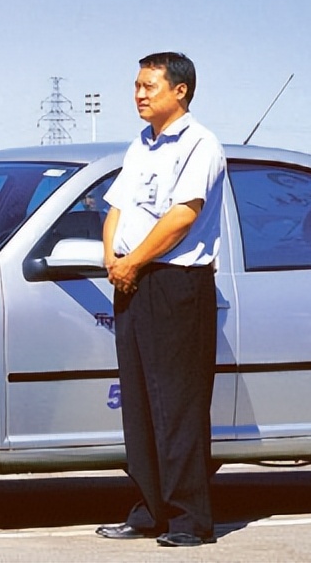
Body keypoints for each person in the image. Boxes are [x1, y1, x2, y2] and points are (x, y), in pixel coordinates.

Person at [97, 52, 227, 548]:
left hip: (176, 283)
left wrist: (132, 262)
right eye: (136, 85)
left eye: (149, 85)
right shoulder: (141, 145)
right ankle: (149, 510)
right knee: (140, 403)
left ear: (180, 90)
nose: (139, 94)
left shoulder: (200, 145)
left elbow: (181, 217)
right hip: (132, 280)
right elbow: (116, 207)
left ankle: (189, 518)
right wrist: (113, 258)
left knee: (178, 405)